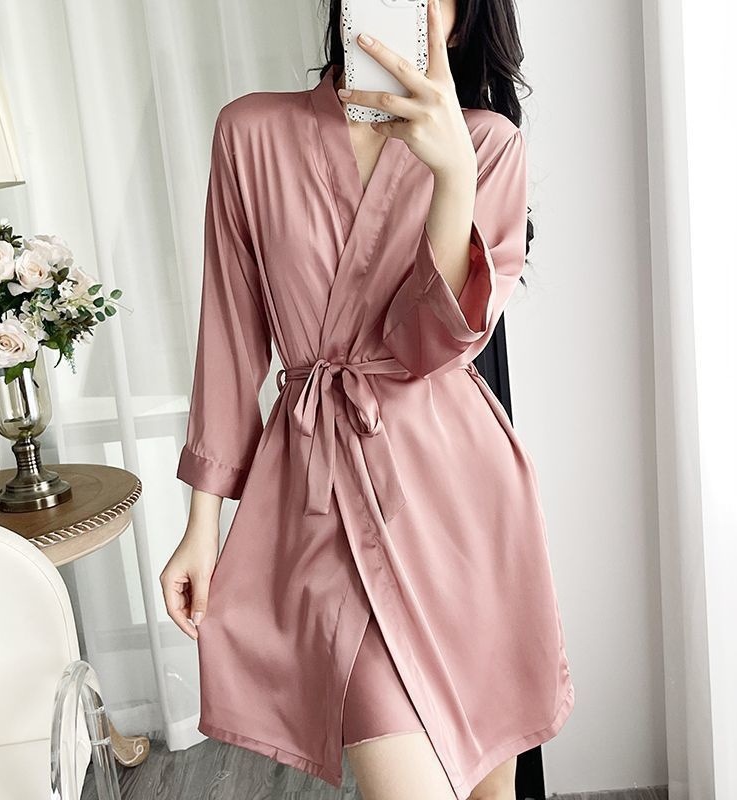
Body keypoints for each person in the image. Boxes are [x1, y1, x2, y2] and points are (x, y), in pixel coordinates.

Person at [160, 1, 575, 799]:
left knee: (491, 787)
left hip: (461, 505)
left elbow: (431, 344)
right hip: (323, 508)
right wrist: (201, 525)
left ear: (459, 21)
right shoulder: (251, 132)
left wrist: (452, 175)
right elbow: (230, 339)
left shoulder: (488, 145)